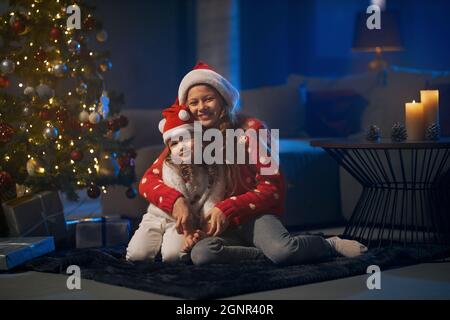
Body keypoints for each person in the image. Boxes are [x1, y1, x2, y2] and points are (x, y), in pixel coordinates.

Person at [137, 61, 367, 265]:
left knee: (283, 251)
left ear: (223, 99)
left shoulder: (253, 130)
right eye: (194, 102)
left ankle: (328, 244)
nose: (201, 107)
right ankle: (264, 254)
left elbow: (273, 187)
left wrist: (228, 208)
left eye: (208, 99)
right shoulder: (187, 137)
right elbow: (149, 179)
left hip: (254, 216)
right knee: (202, 255)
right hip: (216, 224)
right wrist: (177, 201)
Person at [126, 101, 225, 262]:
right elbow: (181, 203)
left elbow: (213, 197)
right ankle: (154, 243)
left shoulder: (214, 167)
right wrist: (189, 232)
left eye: (185, 139)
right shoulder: (169, 165)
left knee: (173, 257)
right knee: (137, 255)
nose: (181, 147)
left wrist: (202, 228)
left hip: (179, 224)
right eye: (174, 144)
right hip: (160, 216)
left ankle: (167, 245)